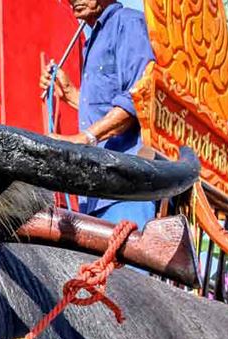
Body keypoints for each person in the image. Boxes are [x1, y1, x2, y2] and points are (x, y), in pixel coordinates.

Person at [39, 0, 157, 222]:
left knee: (126, 254)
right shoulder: (92, 40)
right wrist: (70, 94)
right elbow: (108, 105)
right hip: (95, 192)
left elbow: (138, 97)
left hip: (127, 187)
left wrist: (84, 138)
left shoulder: (128, 23)